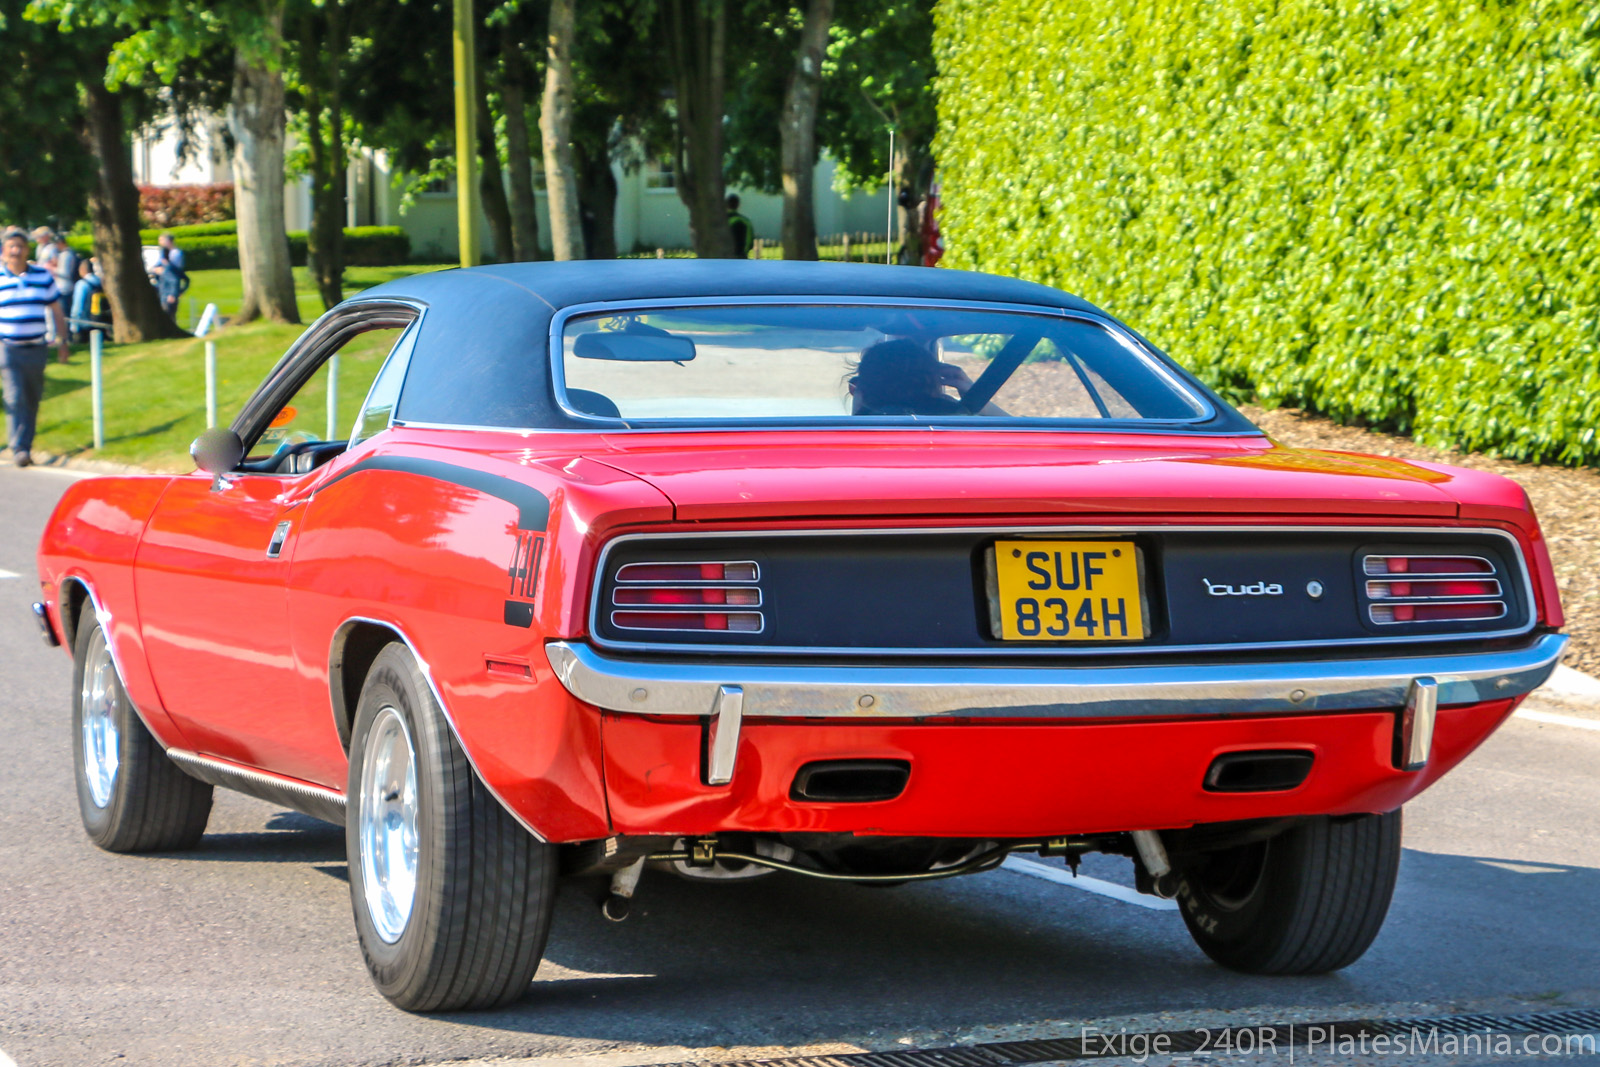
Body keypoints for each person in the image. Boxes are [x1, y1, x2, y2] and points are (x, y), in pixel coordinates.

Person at [1, 229, 70, 467]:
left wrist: (63, 341)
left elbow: (57, 310)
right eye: (11, 246)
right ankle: (18, 448)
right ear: (4, 251)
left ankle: (26, 445)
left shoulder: (42, 277)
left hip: (37, 348)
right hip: (8, 348)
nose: (16, 251)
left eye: (20, 246)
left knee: (31, 398)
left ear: (27, 250)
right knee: (15, 396)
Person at [847, 337, 1005, 417]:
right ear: (935, 385)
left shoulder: (848, 436)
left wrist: (860, 409)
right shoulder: (962, 423)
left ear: (863, 389)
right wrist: (974, 398)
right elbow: (1019, 431)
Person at [150, 230, 189, 319]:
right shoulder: (163, 253)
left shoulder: (176, 253)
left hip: (170, 289)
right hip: (163, 287)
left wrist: (174, 293)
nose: (160, 243)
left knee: (168, 314)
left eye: (162, 240)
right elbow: (157, 266)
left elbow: (174, 272)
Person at [70, 258, 105, 342]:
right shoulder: (100, 282)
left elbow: (78, 306)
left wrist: (74, 325)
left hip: (84, 324)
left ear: (82, 269)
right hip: (100, 321)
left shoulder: (82, 284)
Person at [726, 194, 754, 259]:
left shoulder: (720, 222)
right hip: (740, 256)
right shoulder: (745, 221)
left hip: (721, 257)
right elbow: (749, 242)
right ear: (738, 205)